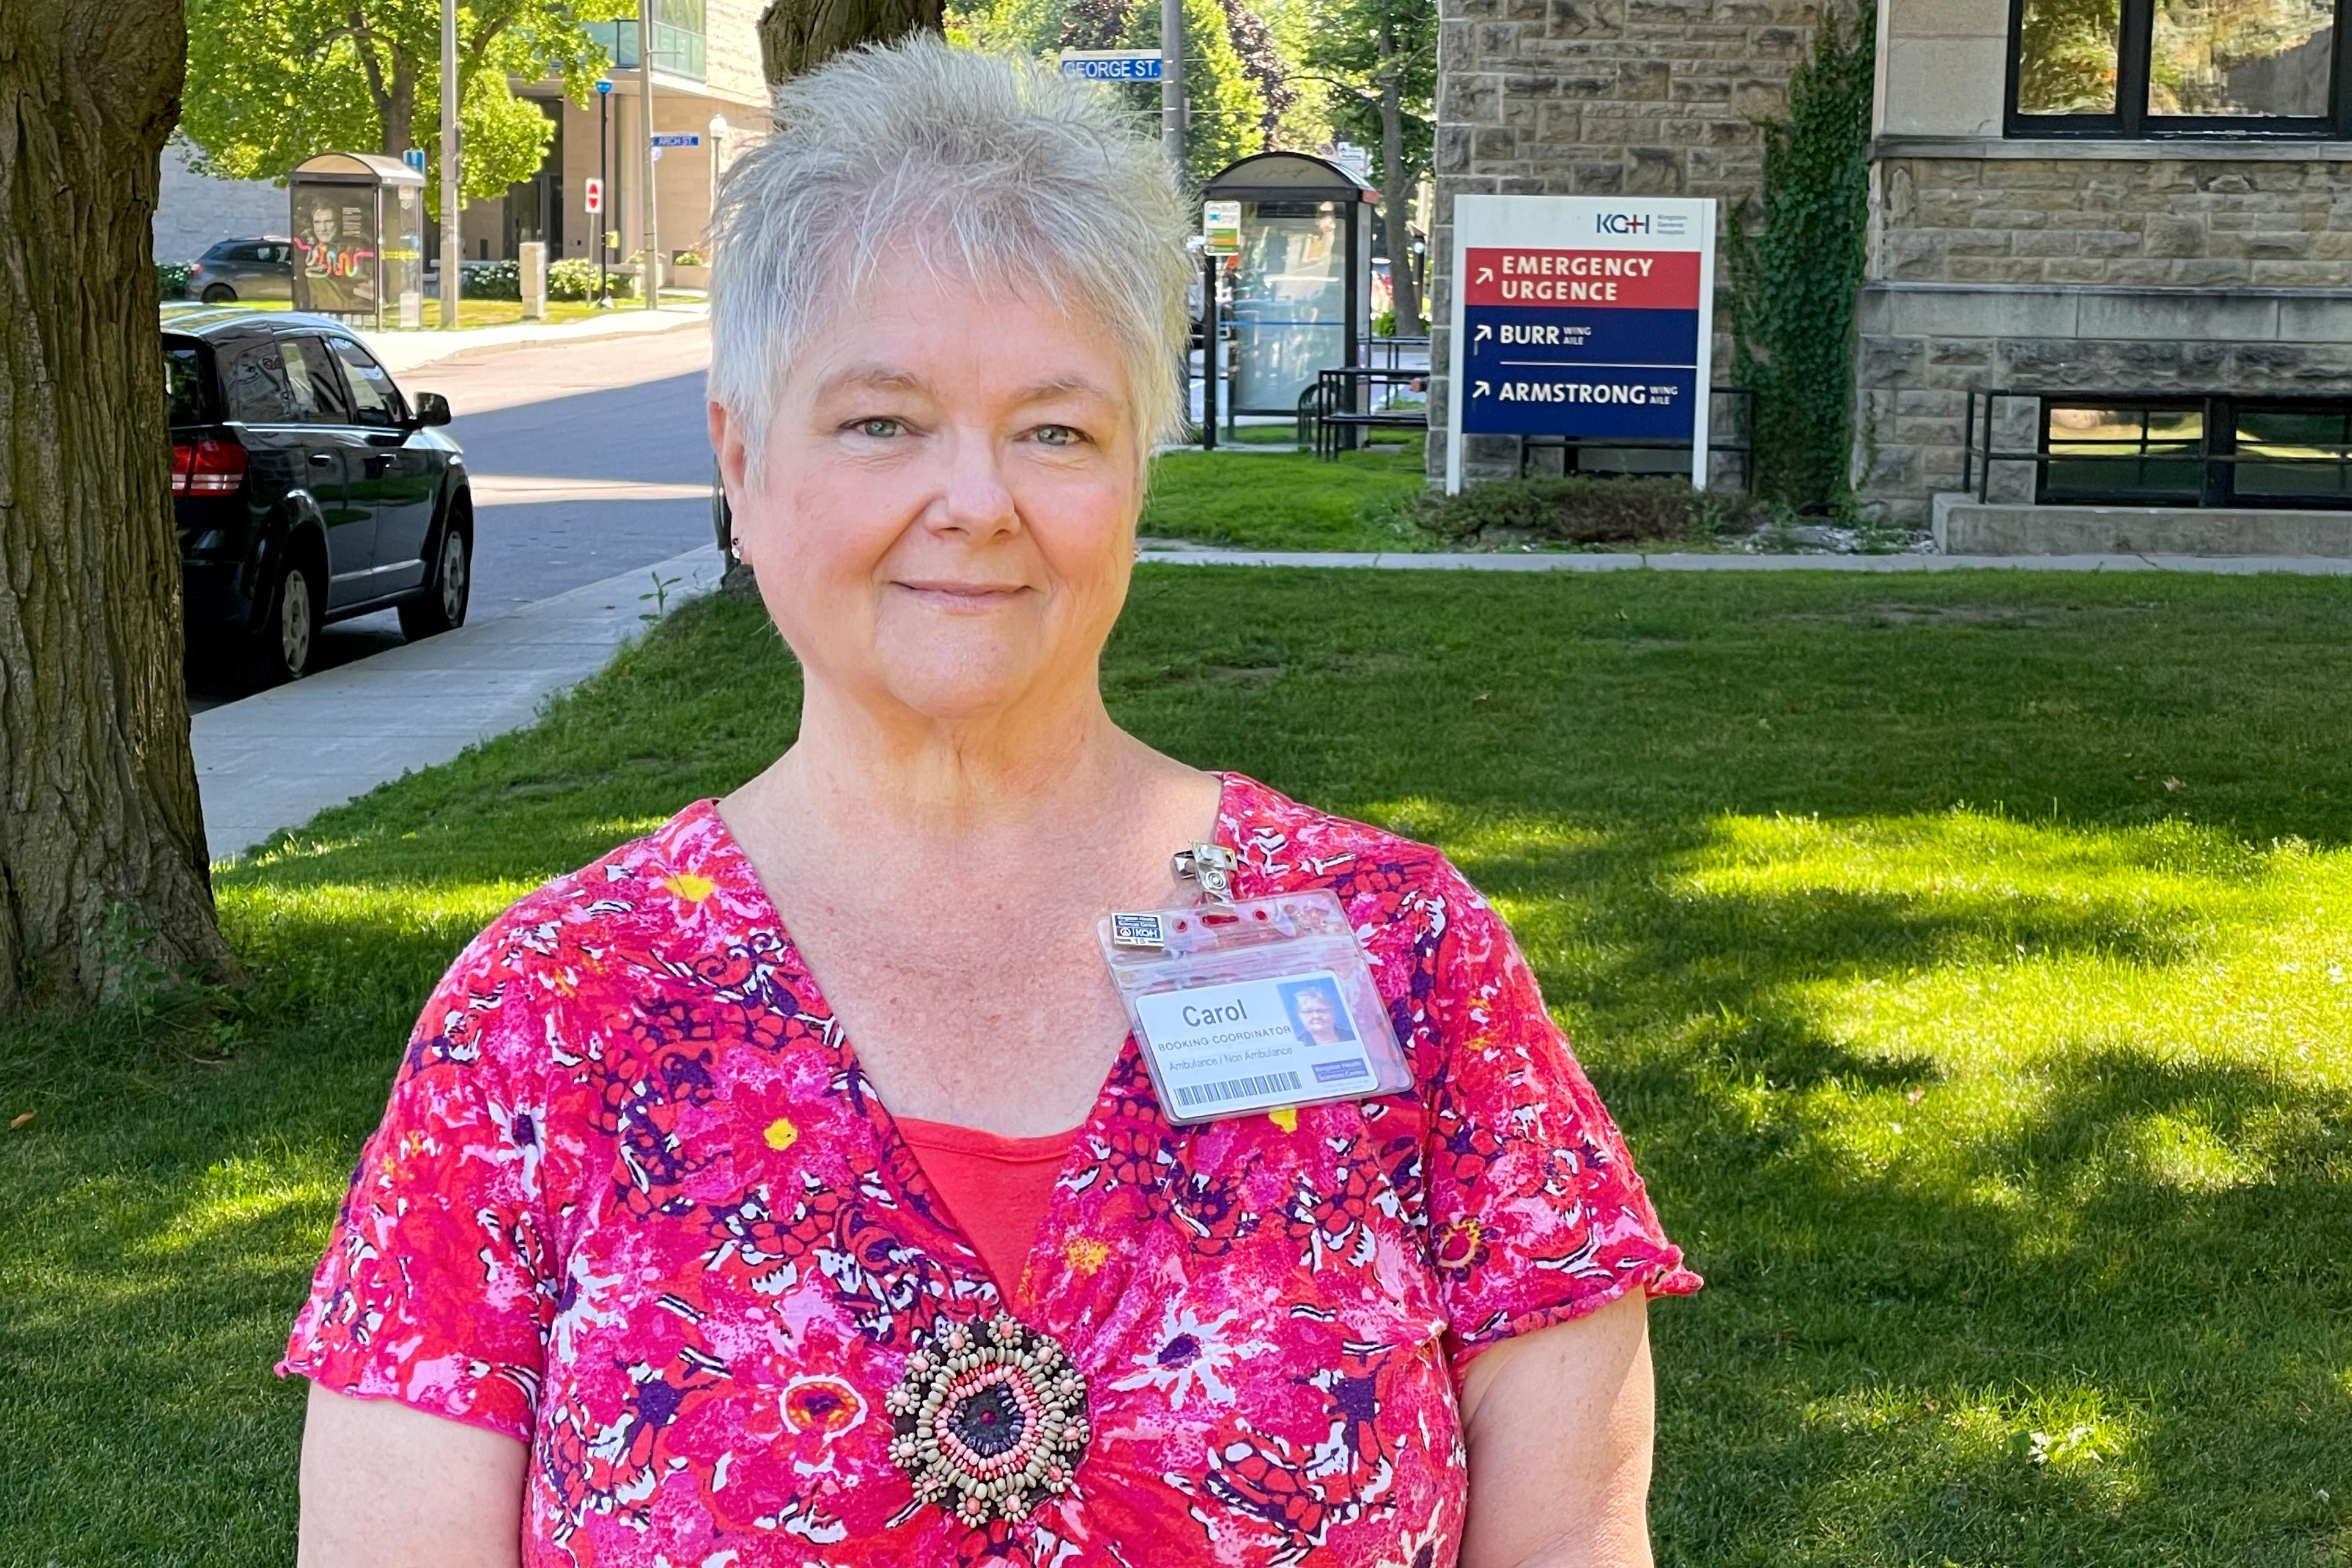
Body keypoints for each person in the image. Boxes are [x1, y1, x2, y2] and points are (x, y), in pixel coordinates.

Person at [283, 37, 1697, 1568]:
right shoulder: (550, 1018)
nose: (976, 500)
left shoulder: (1406, 956)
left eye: (1053, 429)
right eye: (882, 421)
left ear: (1131, 481)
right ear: (742, 463)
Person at [1282, 976, 1355, 1047]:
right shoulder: (1297, 1047)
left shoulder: (1353, 1037)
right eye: (1308, 1012)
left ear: (1332, 1012)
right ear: (1299, 1015)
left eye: (1322, 1011)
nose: (1316, 1016)